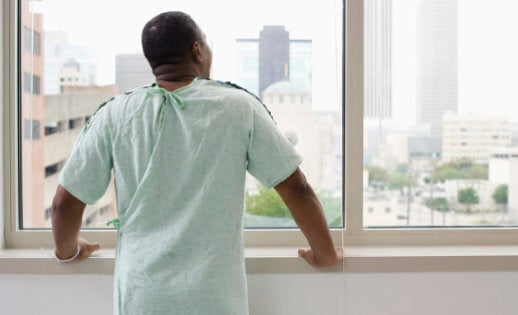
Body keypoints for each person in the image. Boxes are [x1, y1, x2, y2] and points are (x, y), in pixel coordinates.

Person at [51, 11, 341, 314]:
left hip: (143, 298)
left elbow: (64, 204)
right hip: (214, 299)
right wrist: (326, 254)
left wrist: (68, 251)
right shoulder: (237, 106)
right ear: (197, 49)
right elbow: (298, 189)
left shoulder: (114, 114)